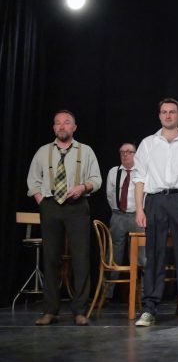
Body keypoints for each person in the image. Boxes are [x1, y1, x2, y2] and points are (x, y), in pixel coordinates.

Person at [133, 98, 178, 327]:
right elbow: (139, 178)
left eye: (172, 112)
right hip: (155, 200)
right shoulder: (148, 143)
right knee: (154, 255)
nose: (168, 116)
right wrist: (139, 208)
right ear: (159, 115)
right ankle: (149, 309)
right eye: (164, 112)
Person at [27, 109, 102, 326]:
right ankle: (50, 310)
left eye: (67, 122)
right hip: (51, 206)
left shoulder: (85, 151)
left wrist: (83, 187)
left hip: (77, 207)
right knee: (51, 258)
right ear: (53, 128)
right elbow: (33, 180)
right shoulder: (43, 151)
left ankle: (79, 311)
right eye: (58, 122)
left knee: (80, 258)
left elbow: (96, 179)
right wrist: (42, 200)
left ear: (74, 127)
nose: (62, 126)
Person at [105, 142, 145, 300]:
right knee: (114, 255)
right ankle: (107, 294)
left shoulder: (142, 171)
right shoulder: (113, 172)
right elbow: (110, 195)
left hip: (137, 216)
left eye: (128, 152)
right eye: (122, 152)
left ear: (136, 155)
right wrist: (118, 211)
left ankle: (143, 295)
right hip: (118, 216)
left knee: (141, 257)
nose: (125, 154)